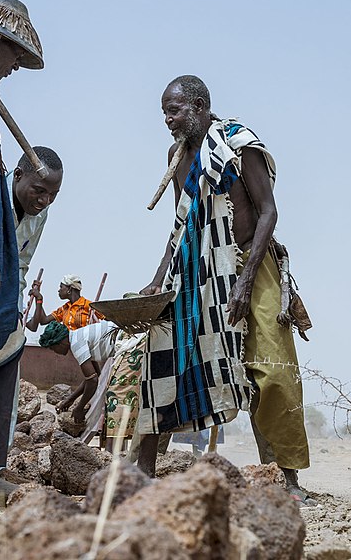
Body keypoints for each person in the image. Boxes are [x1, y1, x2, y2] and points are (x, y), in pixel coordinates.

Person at [136, 76, 312, 505]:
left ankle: (286, 478)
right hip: (201, 268)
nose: (167, 120)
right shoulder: (178, 156)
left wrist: (247, 280)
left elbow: (269, 212)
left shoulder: (238, 144)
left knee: (272, 371)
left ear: (198, 106)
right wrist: (159, 278)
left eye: (174, 111)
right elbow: (181, 224)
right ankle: (142, 470)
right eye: (164, 112)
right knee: (166, 353)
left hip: (254, 263)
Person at [0, 0, 52, 499]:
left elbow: (19, 256)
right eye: (13, 56)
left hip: (3, 298)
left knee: (8, 357)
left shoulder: (36, 212)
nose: (16, 67)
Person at [39, 320, 116, 424]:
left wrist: (80, 407)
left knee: (115, 396)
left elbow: (93, 380)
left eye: (53, 348)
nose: (55, 352)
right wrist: (70, 400)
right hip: (124, 340)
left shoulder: (77, 344)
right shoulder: (77, 336)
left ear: (61, 342)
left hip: (129, 343)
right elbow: (94, 376)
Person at [26, 274, 104, 331]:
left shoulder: (89, 306)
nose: (59, 290)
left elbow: (107, 319)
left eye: (61, 287)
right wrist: (38, 298)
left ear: (69, 289)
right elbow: (43, 321)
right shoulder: (65, 308)